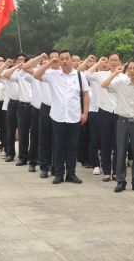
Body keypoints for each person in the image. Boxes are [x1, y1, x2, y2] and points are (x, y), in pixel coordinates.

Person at [29, 50, 90, 185]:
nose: (64, 61)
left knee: (72, 146)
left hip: (74, 116)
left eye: (67, 58)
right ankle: (58, 174)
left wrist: (85, 113)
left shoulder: (80, 75)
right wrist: (49, 63)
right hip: (58, 117)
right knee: (58, 146)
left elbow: (85, 94)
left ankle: (71, 173)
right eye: (61, 59)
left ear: (72, 60)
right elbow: (37, 75)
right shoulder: (52, 74)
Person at [101, 58, 134, 193]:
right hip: (122, 122)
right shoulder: (120, 83)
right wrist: (115, 73)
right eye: (130, 68)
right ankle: (120, 181)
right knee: (120, 152)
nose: (132, 71)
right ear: (127, 70)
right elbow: (104, 85)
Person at [86, 53, 122, 182]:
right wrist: (98, 63)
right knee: (105, 143)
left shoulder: (124, 77)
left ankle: (116, 171)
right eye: (111, 60)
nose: (113, 62)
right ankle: (107, 172)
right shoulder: (101, 74)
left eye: (116, 60)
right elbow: (86, 74)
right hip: (104, 111)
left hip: (119, 112)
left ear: (120, 62)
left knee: (118, 144)